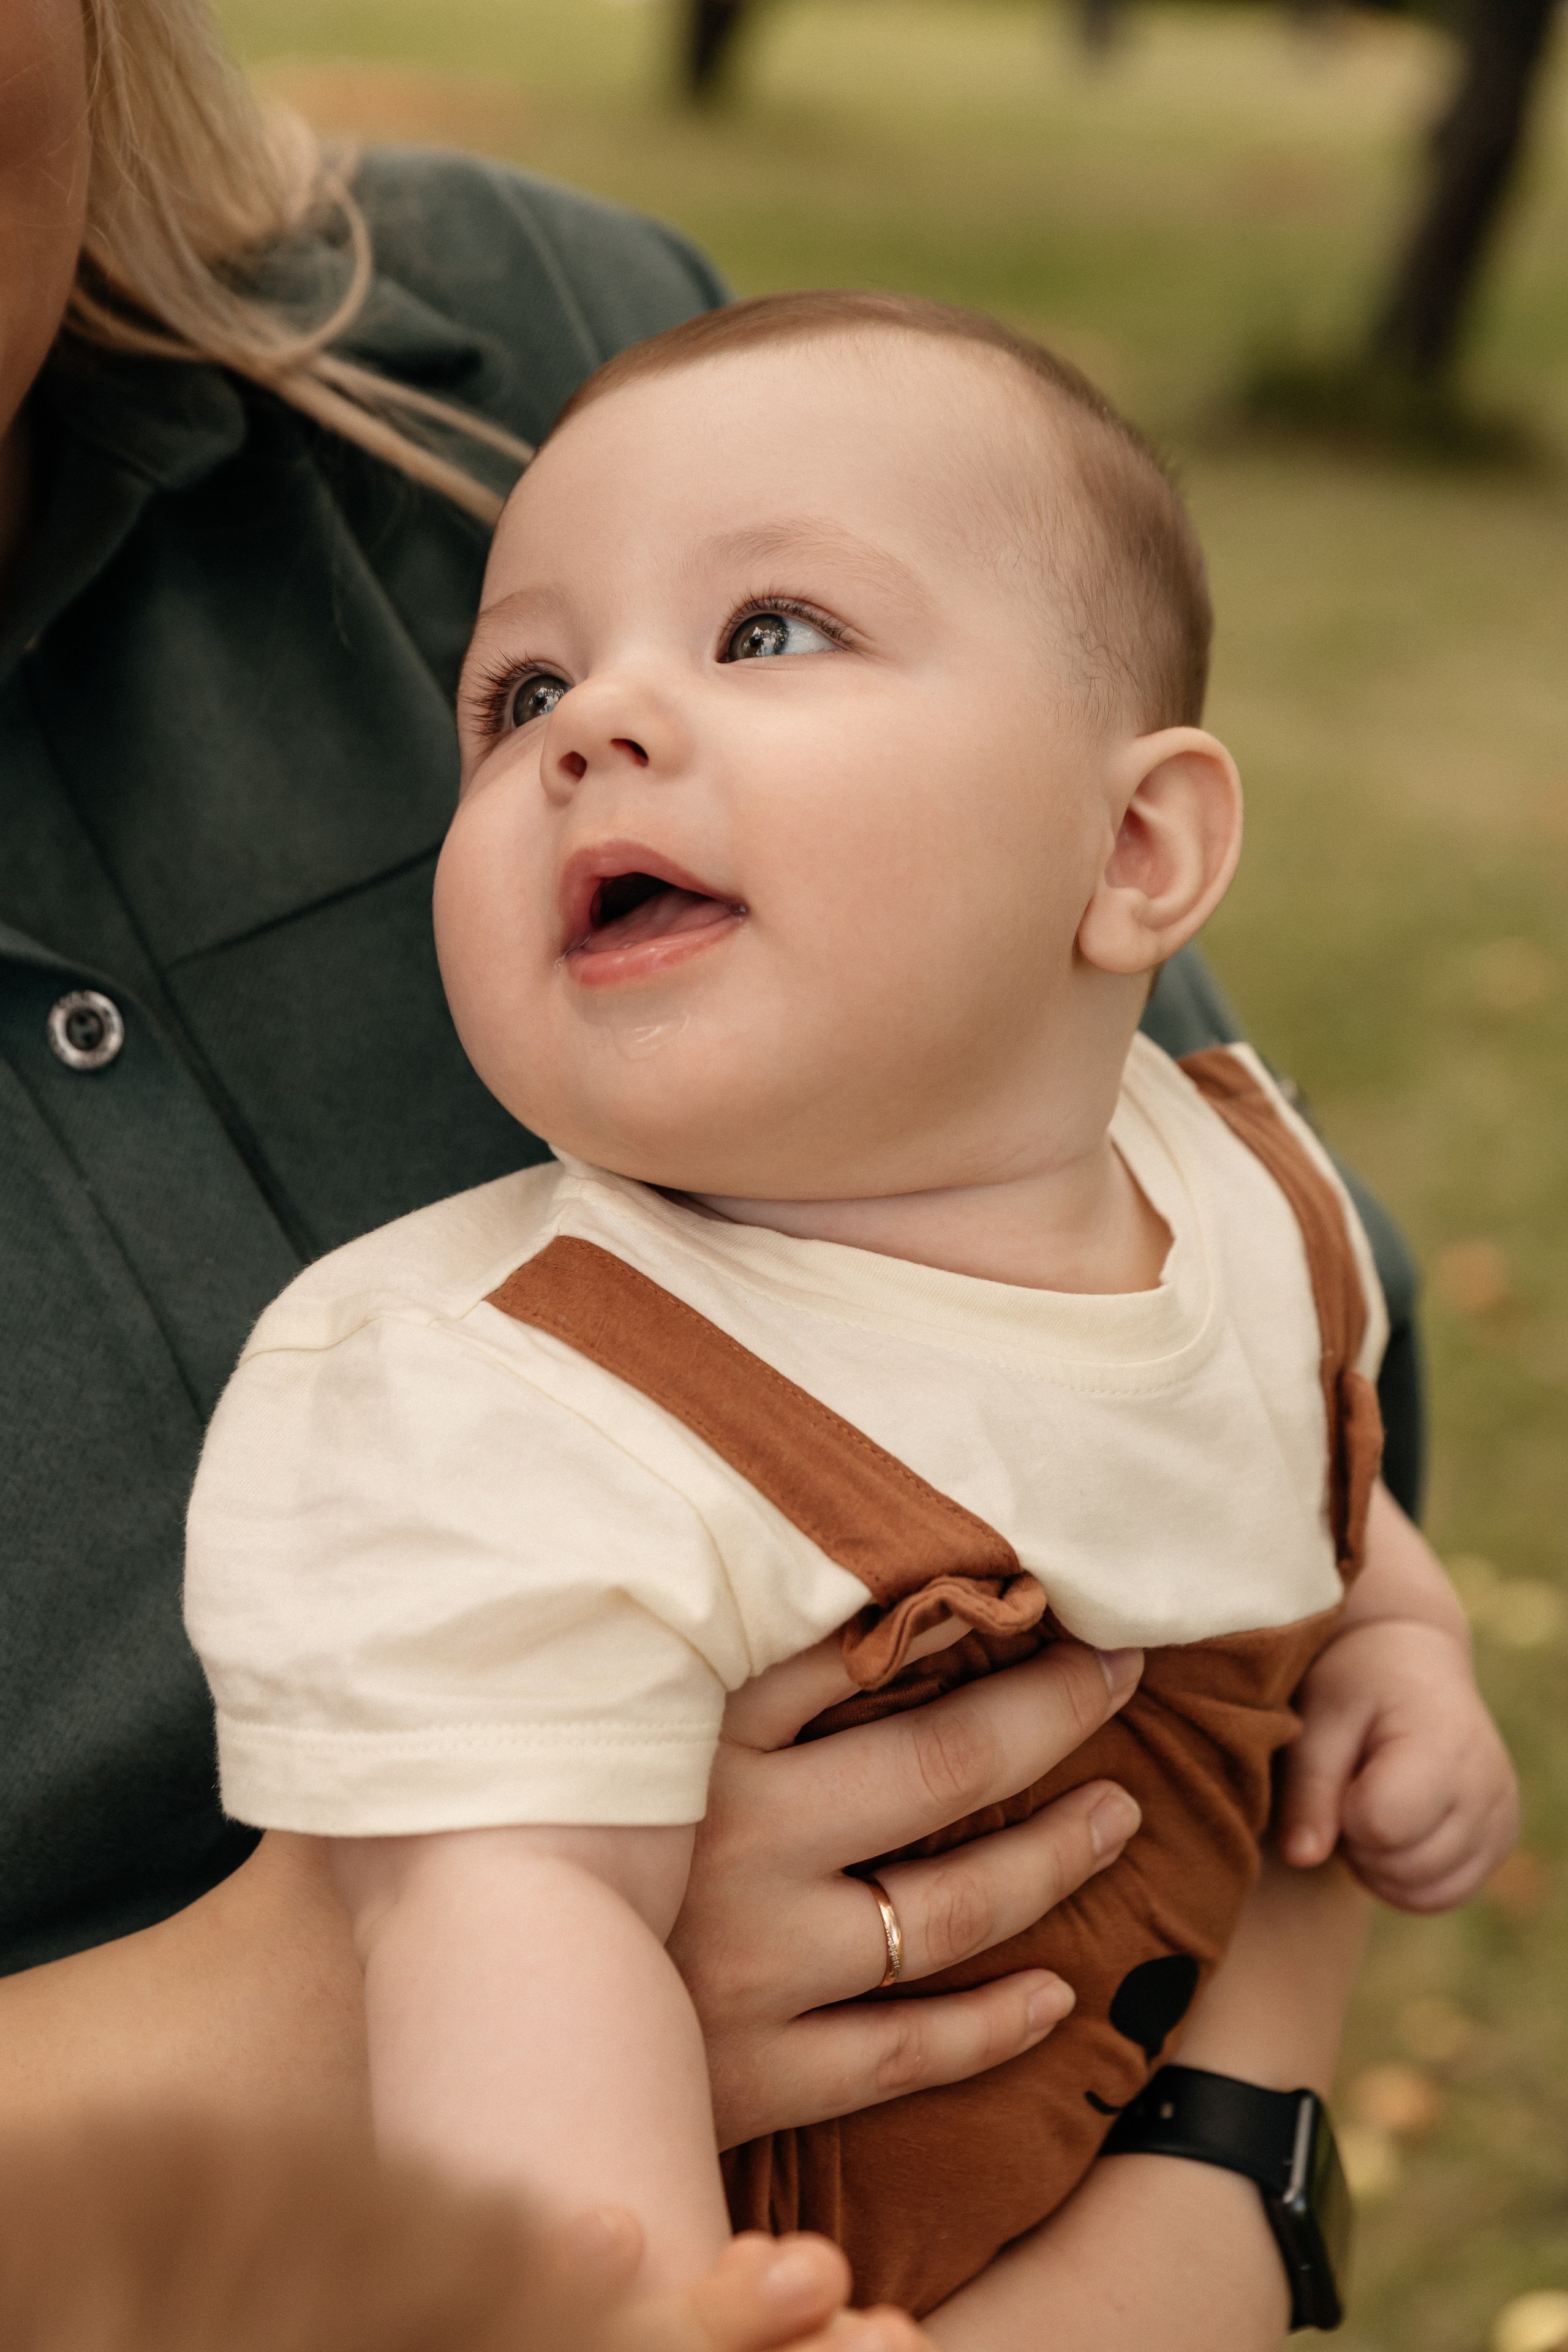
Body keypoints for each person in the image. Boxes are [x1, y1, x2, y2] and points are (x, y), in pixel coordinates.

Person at [0, 4, 1427, 2345]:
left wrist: (1398, 1660)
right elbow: (508, 1926)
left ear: (1134, 855)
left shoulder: (1214, 1176)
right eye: (513, 701)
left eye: (771, 631)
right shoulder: (502, 1407)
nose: (596, 726)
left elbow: (1311, 1432)